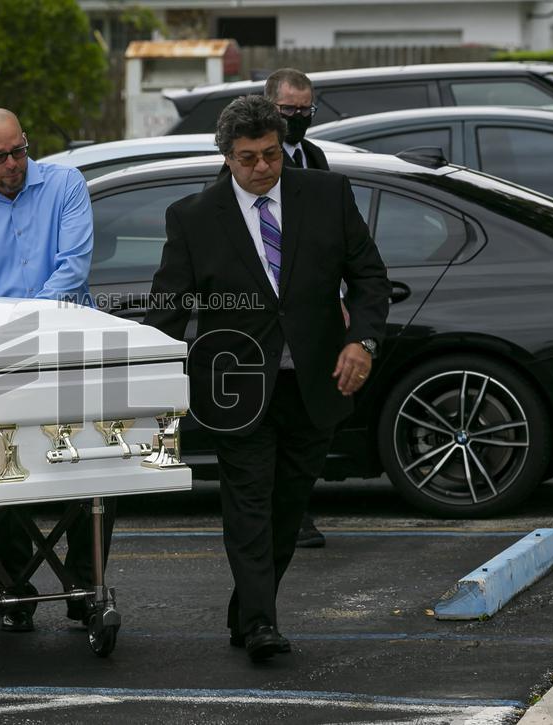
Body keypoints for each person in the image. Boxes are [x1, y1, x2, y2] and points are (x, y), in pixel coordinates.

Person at [143, 95, 389, 663]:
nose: (262, 168)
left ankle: (246, 610)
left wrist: (362, 341)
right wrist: (151, 377)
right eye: (248, 158)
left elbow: (370, 278)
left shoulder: (327, 196)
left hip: (315, 383)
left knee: (287, 509)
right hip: (236, 390)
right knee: (249, 505)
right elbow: (168, 307)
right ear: (226, 157)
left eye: (272, 155)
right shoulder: (194, 217)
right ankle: (260, 625)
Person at [0, 107, 108, 632]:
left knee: (97, 471)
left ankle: (85, 584)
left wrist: (20, 324)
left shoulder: (65, 185)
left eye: (20, 149)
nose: (15, 162)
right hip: (0, 363)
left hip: (66, 350)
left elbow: (73, 265)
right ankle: (16, 586)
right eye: (1, 156)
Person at [265, 67, 330, 548]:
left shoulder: (314, 156)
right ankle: (283, 516)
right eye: (290, 111)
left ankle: (296, 511)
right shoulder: (252, 162)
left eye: (306, 110)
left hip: (311, 309)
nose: (299, 119)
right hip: (268, 310)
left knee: (306, 421)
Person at [264, 67, 329, 172]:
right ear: (269, 107)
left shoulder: (315, 155)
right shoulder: (260, 159)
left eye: (305, 109)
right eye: (289, 109)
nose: (298, 116)